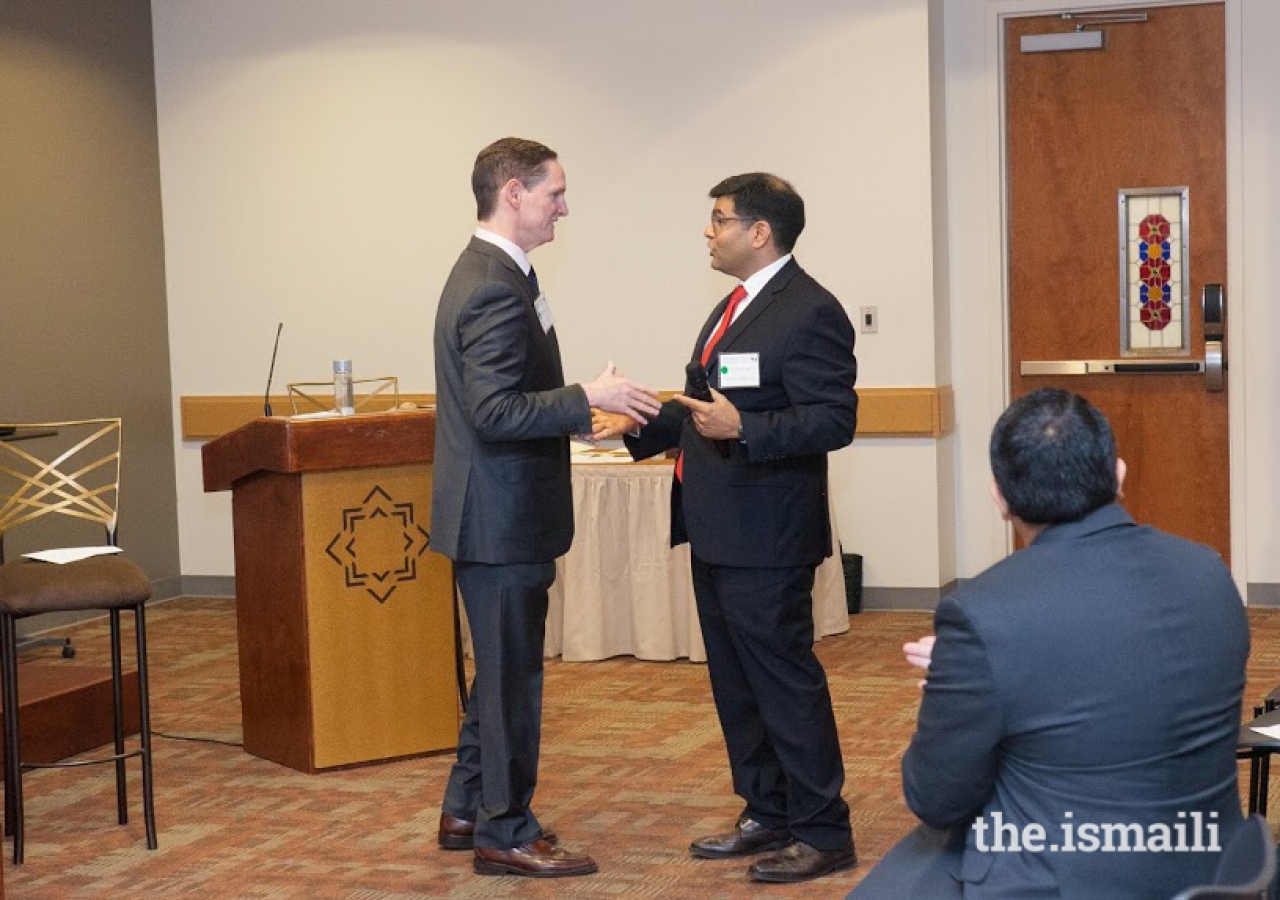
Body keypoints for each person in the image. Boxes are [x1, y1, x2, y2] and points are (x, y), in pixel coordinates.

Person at [849, 388, 1249, 899]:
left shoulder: (984, 612)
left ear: (999, 498)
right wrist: (976, 675)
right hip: (1214, 868)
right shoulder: (1209, 572)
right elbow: (1128, 676)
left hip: (1066, 881)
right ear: (1119, 475)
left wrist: (961, 684)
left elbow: (938, 798)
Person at [604, 172, 859, 883]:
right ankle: (766, 810)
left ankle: (823, 830)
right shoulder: (732, 306)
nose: (708, 233)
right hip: (717, 527)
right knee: (736, 684)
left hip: (769, 535)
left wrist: (747, 426)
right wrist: (632, 429)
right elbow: (697, 404)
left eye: (718, 220)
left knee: (783, 682)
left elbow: (835, 419)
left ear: (759, 232)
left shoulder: (809, 310)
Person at [431, 137, 660, 878]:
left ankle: (468, 807)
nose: (565, 205)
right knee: (511, 683)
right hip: (501, 519)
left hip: (498, 514)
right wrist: (586, 398)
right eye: (555, 192)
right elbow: (494, 411)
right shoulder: (493, 283)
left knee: (498, 674)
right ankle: (506, 831)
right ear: (513, 194)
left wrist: (575, 401)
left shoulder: (496, 272)